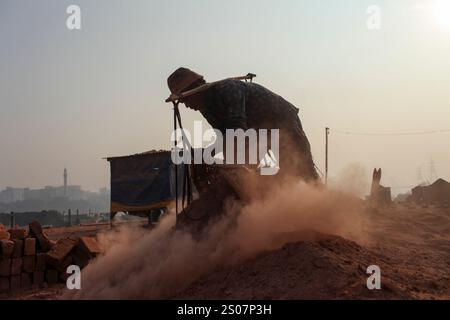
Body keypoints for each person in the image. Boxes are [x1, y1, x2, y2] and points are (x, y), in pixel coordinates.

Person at [167, 67, 318, 180]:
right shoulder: (206, 108)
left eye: (186, 100)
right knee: (242, 174)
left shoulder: (228, 89)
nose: (187, 105)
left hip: (283, 121)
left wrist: (207, 154)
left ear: (197, 89)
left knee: (302, 169)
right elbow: (225, 138)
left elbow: (237, 132)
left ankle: (320, 206)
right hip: (256, 132)